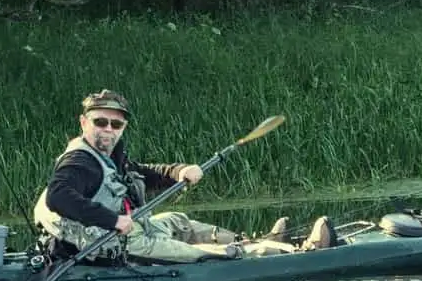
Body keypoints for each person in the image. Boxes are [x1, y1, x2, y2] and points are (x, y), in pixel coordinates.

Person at [33, 89, 338, 264]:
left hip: (130, 233)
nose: (109, 130)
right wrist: (112, 220)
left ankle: (266, 242)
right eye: (101, 122)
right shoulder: (79, 162)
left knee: (179, 220)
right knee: (199, 254)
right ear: (84, 122)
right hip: (109, 246)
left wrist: (179, 171)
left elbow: (140, 173)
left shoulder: (110, 153)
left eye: (116, 124)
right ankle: (300, 255)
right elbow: (58, 196)